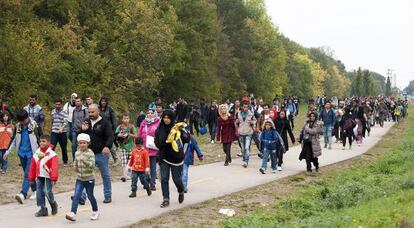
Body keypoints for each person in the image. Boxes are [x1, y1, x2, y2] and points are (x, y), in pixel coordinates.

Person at [80, 104, 114, 203]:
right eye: (89, 112)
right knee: (85, 175)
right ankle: (82, 197)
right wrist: (82, 130)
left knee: (105, 175)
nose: (90, 114)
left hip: (101, 153)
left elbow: (111, 136)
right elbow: (81, 136)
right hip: (88, 153)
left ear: (97, 111)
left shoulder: (105, 122)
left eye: (92, 112)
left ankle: (108, 195)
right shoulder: (86, 121)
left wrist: (107, 146)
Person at [4, 110, 39, 203]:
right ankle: (35, 190)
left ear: (27, 117)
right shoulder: (18, 126)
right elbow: (14, 140)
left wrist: (43, 152)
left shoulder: (34, 125)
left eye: (24, 120)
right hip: (21, 153)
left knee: (28, 174)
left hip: (32, 153)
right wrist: (8, 151)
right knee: (28, 174)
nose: (23, 122)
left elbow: (40, 138)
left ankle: (23, 194)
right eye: (21, 121)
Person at [154, 110, 186, 208]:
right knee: (164, 179)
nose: (166, 119)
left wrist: (183, 133)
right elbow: (157, 142)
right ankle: (166, 199)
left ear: (171, 118)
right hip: (164, 157)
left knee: (177, 179)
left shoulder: (176, 128)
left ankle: (180, 191)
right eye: (164, 117)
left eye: (168, 117)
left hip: (176, 157)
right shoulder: (159, 129)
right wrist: (165, 142)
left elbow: (186, 139)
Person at [66, 133, 99, 222]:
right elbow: (75, 162)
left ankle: (95, 211)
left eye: (84, 143)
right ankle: (73, 212)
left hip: (89, 179)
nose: (82, 145)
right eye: (80, 143)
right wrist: (75, 166)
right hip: (80, 178)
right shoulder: (77, 153)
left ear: (88, 143)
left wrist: (85, 162)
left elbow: (92, 165)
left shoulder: (90, 153)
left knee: (90, 196)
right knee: (76, 195)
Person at [28, 134, 58, 217]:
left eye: (44, 141)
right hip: (39, 176)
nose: (42, 143)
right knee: (39, 193)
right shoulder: (37, 153)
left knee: (47, 191)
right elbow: (33, 166)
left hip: (48, 177)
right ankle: (43, 209)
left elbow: (54, 167)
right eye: (40, 141)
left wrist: (54, 177)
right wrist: (31, 177)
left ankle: (53, 204)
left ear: (48, 142)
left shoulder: (52, 154)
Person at [139, 109, 160, 191]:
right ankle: (146, 182)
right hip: (144, 148)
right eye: (148, 113)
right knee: (145, 167)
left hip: (153, 148)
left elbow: (160, 133)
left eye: (151, 113)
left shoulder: (158, 122)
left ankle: (153, 183)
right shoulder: (143, 123)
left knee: (153, 167)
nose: (150, 114)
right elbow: (139, 134)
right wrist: (138, 145)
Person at [115, 113, 137, 182]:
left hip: (131, 147)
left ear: (129, 119)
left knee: (131, 161)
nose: (126, 120)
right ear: (122, 119)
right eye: (124, 118)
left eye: (127, 118)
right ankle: (124, 175)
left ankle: (130, 174)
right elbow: (115, 135)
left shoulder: (132, 126)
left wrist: (129, 134)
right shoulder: (119, 127)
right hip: (122, 146)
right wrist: (119, 135)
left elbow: (136, 135)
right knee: (124, 162)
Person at [235, 102, 256, 168]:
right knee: (243, 148)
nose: (245, 108)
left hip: (248, 133)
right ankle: (244, 159)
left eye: (247, 107)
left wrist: (252, 122)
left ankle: (246, 161)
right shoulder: (238, 113)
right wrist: (236, 122)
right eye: (244, 107)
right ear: (242, 107)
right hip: (241, 133)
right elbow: (236, 121)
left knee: (247, 148)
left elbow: (255, 121)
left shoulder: (251, 114)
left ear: (248, 107)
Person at [99, 96, 119, 165]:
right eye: (102, 101)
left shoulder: (110, 110)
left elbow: (114, 121)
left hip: (109, 129)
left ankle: (116, 159)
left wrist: (114, 131)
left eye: (104, 101)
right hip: (100, 129)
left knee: (111, 146)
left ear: (106, 102)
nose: (103, 102)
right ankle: (103, 160)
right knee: (101, 145)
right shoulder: (98, 109)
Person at [50, 98, 69, 165]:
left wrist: (61, 128)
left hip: (62, 132)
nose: (57, 106)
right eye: (56, 104)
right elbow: (52, 121)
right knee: (52, 147)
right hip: (54, 132)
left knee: (63, 147)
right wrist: (51, 129)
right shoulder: (53, 111)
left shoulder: (64, 111)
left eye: (59, 104)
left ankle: (65, 161)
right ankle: (50, 160)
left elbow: (66, 121)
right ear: (54, 104)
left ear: (61, 104)